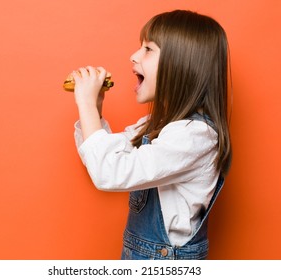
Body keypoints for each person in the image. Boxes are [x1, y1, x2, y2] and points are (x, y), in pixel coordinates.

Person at [71, 10, 232, 260]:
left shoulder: (194, 136)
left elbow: (107, 173)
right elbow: (103, 161)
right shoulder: (156, 125)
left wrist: (86, 105)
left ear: (180, 64)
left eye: (148, 49)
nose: (133, 56)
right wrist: (96, 110)